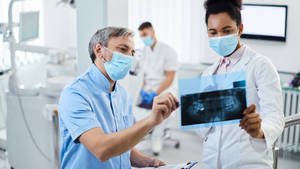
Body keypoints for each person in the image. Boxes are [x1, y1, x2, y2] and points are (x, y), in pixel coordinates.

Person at [58, 27, 179, 169]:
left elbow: (121, 144)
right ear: (99, 51)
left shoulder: (122, 95)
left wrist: (145, 161)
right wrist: (151, 121)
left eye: (132, 52)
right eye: (123, 49)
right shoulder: (75, 94)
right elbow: (101, 149)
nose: (129, 57)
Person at [198, 0, 284, 168]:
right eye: (213, 32)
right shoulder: (208, 73)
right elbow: (204, 131)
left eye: (227, 30)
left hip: (249, 162)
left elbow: (275, 117)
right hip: (211, 161)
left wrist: (259, 131)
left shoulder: (260, 65)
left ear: (240, 29)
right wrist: (198, 113)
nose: (219, 38)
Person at [134, 22, 179, 154]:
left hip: (166, 88)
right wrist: (142, 91)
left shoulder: (168, 51)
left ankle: (157, 137)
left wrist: (155, 93)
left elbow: (170, 77)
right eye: (141, 35)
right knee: (136, 109)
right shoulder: (144, 52)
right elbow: (144, 76)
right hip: (149, 87)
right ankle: (142, 133)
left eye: (145, 34)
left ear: (152, 31)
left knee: (160, 108)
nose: (143, 37)